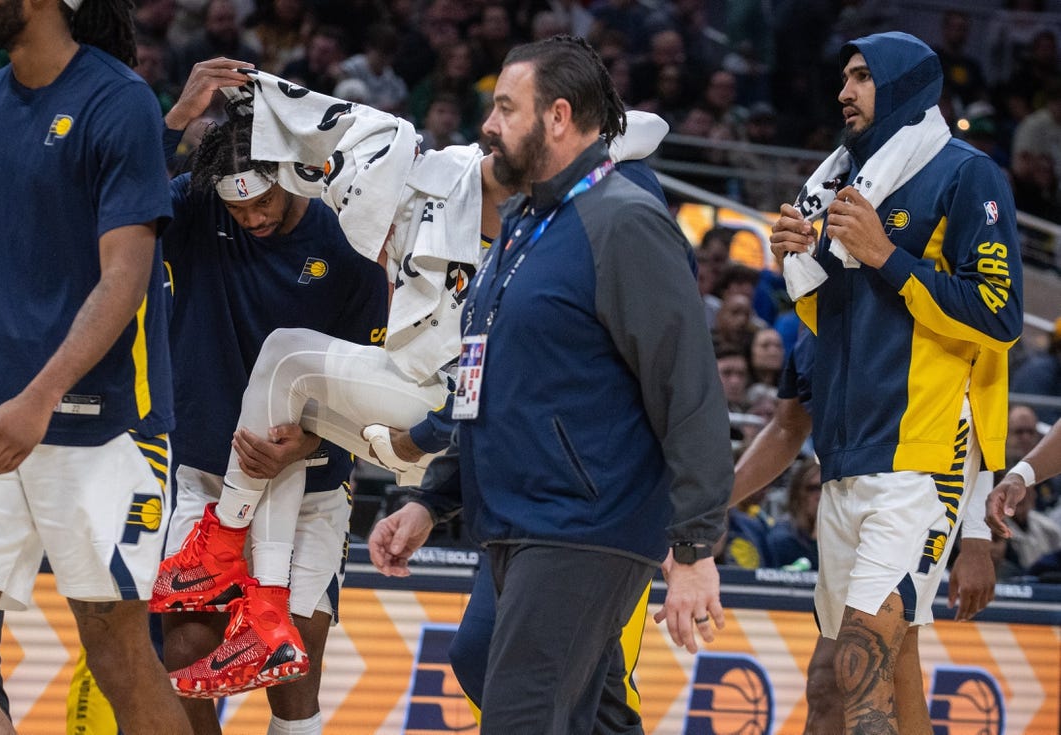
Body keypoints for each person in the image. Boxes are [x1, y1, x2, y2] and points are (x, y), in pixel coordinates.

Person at [151, 54, 673, 697]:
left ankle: (235, 556)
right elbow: (334, 128)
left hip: (467, 439)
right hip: (425, 433)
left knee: (286, 359)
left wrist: (423, 439)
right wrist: (211, 109)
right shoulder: (454, 191)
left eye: (508, 112)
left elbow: (502, 373)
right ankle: (262, 602)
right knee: (287, 397)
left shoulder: (547, 244)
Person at [368, 35, 733, 734]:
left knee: (520, 715)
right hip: (516, 517)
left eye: (506, 107)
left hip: (584, 523)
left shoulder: (625, 221)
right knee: (574, 710)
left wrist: (694, 547)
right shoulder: (525, 224)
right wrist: (431, 500)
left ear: (558, 116)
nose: (489, 124)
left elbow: (688, 387)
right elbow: (484, 385)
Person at [770, 31, 1021, 733]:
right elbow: (855, 325)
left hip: (919, 460)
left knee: (864, 679)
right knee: (831, 682)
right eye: (843, 78)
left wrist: (885, 254)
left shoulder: (966, 175)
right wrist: (804, 262)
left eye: (861, 77)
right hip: (848, 459)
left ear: (906, 84)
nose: (844, 93)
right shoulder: (849, 184)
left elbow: (1000, 317)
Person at [0, 1, 191, 733]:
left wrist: (41, 395)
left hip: (102, 427)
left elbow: (124, 278)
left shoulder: (118, 99)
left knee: (117, 650)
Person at [148, 63, 389, 735]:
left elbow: (368, 379)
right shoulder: (199, 209)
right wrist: (175, 119)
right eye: (238, 208)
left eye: (262, 203)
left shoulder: (351, 243)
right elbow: (117, 198)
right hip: (205, 470)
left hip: (309, 480)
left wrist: (311, 438)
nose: (250, 217)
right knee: (187, 654)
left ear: (290, 174)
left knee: (294, 668)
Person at [732, 327, 997, 734]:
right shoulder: (814, 303)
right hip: (847, 487)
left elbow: (981, 399)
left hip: (920, 479)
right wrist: (711, 504)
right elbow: (789, 426)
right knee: (829, 678)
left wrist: (976, 535)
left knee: (879, 663)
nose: (781, 258)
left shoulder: (911, 275)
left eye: (785, 255)